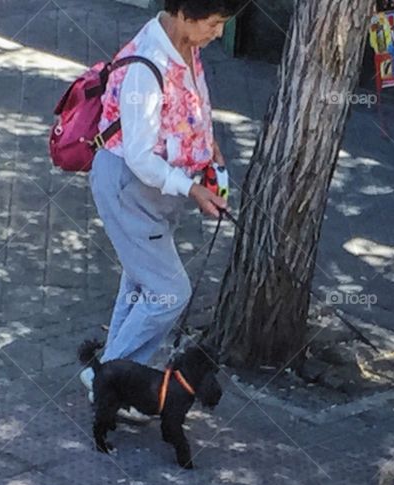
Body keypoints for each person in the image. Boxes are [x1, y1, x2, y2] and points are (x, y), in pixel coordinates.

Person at [82, 0, 241, 418]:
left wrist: (208, 148)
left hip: (153, 195)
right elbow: (139, 157)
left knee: (141, 282)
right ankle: (107, 381)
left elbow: (190, 109)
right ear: (185, 12)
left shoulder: (186, 46)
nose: (218, 33)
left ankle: (112, 379)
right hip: (130, 189)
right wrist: (192, 188)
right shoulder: (147, 64)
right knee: (170, 293)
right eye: (214, 23)